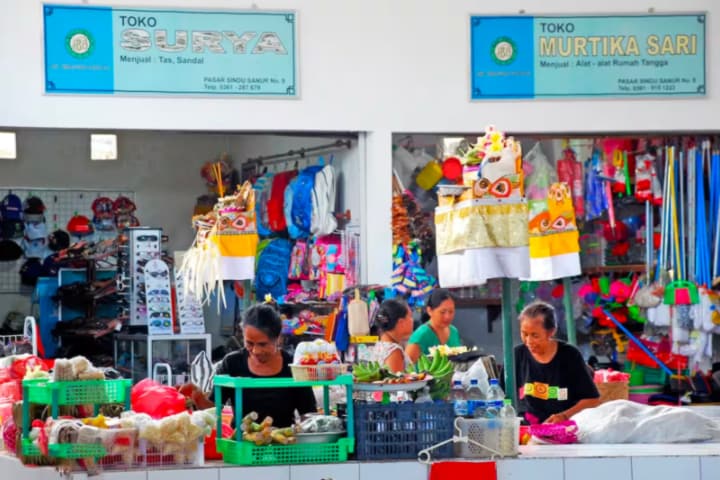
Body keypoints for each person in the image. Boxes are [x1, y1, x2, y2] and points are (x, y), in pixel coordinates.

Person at [215, 304, 317, 427]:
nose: (256, 351)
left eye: (263, 344)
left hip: (283, 444)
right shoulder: (232, 363)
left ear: (278, 338)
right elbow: (213, 409)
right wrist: (197, 397)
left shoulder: (293, 366)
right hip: (242, 443)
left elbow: (308, 414)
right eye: (249, 343)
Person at [515, 300, 600, 424]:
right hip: (525, 430)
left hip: (563, 429)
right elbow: (502, 398)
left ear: (551, 331)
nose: (529, 341)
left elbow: (592, 400)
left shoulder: (570, 355)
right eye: (524, 334)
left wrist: (564, 416)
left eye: (535, 335)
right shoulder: (517, 356)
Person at [405, 288, 462, 363]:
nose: (447, 316)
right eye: (442, 312)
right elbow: (406, 369)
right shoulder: (421, 336)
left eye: (451, 311)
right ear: (430, 311)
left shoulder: (454, 331)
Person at [372, 298, 414, 372]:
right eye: (410, 316)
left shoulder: (381, 345)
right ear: (401, 323)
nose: (412, 320)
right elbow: (396, 382)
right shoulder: (394, 351)